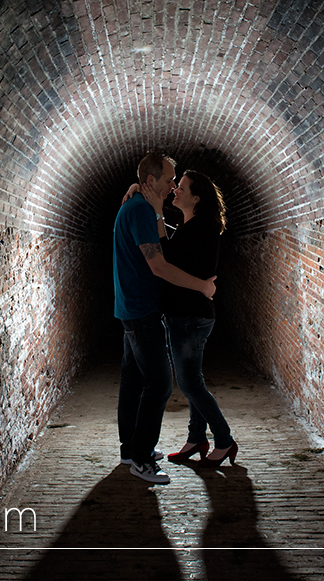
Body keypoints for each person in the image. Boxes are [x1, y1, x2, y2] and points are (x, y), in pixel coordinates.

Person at [113, 152, 217, 484]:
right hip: (141, 311)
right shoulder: (141, 210)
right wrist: (201, 285)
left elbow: (161, 244)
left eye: (176, 180)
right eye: (169, 179)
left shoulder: (135, 206)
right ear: (149, 182)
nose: (173, 184)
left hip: (130, 308)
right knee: (159, 384)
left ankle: (130, 449)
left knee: (133, 382)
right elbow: (159, 266)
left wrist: (150, 201)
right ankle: (141, 460)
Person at [123, 170, 237, 468]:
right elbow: (178, 244)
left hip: (191, 317)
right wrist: (138, 188)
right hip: (185, 315)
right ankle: (196, 438)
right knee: (193, 379)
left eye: (182, 188)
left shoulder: (205, 226)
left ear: (196, 198)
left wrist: (158, 212)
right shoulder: (193, 225)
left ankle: (224, 440)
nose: (175, 190)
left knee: (189, 384)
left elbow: (169, 254)